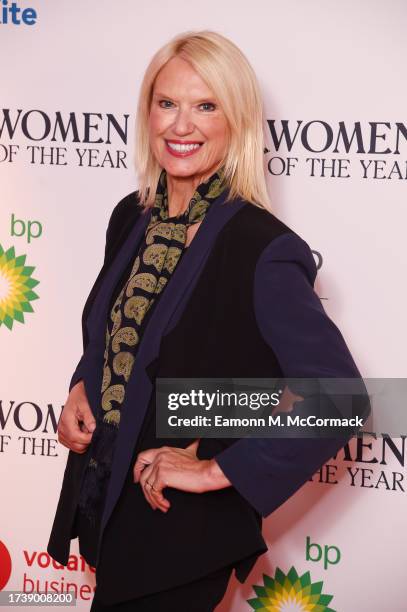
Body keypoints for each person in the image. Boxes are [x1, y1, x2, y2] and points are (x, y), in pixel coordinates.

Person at [47, 30, 366, 611]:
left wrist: (217, 469)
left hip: (175, 537)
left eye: (205, 105)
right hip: (107, 503)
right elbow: (124, 333)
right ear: (147, 111)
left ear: (237, 120)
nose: (181, 125)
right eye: (167, 103)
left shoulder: (261, 247)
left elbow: (338, 396)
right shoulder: (131, 216)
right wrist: (82, 383)